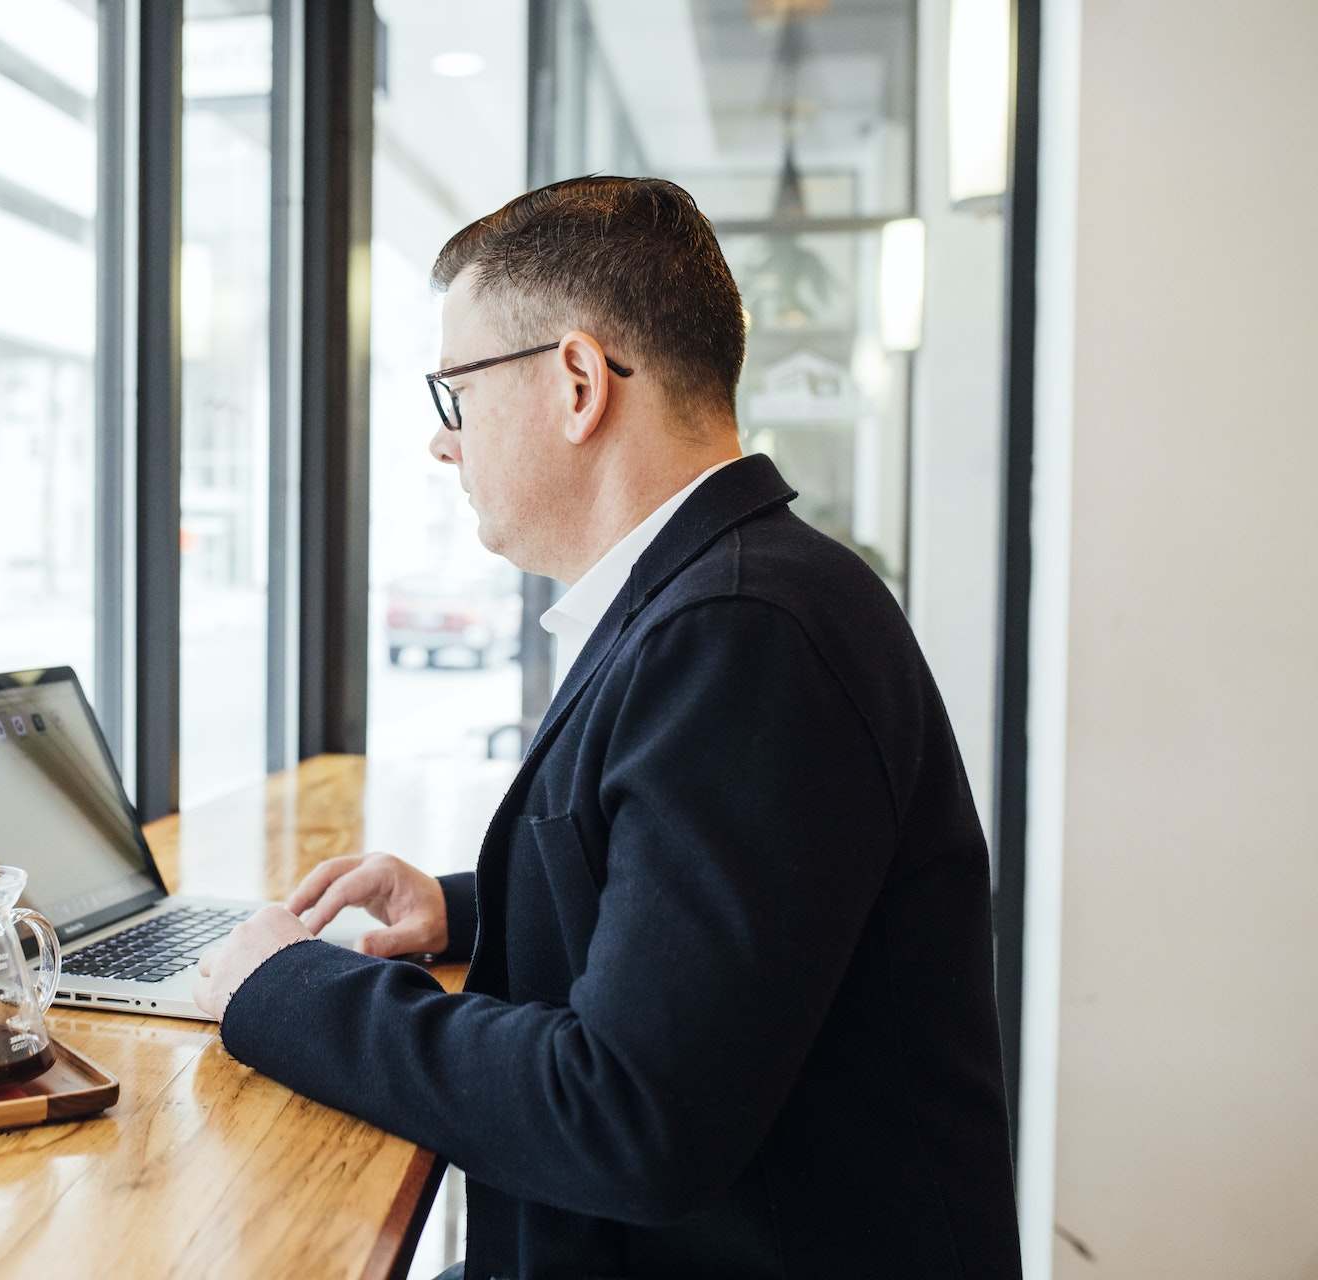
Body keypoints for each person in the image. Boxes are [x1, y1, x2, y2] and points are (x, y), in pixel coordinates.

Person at [193, 176, 1023, 1279]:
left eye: (458, 394)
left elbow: (628, 1114)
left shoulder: (743, 631)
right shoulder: (738, 591)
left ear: (578, 381)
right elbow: (716, 910)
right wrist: (456, 905)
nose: (446, 446)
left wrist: (285, 990)